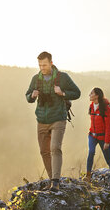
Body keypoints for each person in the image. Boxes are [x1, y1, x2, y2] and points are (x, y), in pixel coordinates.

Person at [25, 51, 81, 191]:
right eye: (39, 65)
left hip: (58, 118)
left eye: (44, 64)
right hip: (42, 119)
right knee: (44, 151)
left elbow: (77, 93)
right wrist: (32, 96)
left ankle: (56, 182)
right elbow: (28, 96)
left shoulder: (63, 77)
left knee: (55, 147)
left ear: (51, 62)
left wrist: (62, 93)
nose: (42, 67)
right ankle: (51, 180)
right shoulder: (35, 79)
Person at [85, 87, 110, 192]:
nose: (89, 95)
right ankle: (88, 177)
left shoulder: (106, 109)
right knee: (91, 152)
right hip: (92, 135)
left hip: (103, 137)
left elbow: (109, 126)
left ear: (97, 95)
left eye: (91, 93)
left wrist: (107, 142)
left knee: (108, 160)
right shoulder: (91, 106)